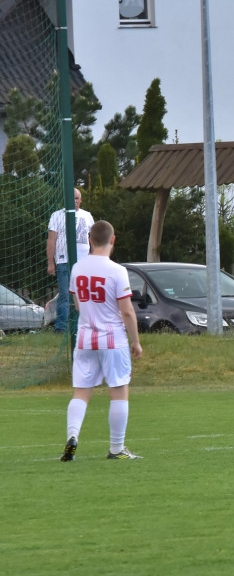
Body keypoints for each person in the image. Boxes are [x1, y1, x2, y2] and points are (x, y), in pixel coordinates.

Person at [59, 221, 144, 461]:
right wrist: (136, 341)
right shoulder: (117, 270)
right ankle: (117, 449)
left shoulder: (77, 268)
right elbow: (126, 311)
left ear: (90, 239)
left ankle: (72, 436)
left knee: (81, 393)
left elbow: (77, 305)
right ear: (113, 240)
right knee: (118, 391)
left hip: (85, 338)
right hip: (112, 338)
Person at [46, 188, 95, 333]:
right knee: (65, 295)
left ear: (81, 199)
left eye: (77, 198)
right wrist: (50, 263)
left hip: (84, 262)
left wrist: (94, 258)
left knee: (84, 295)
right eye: (72, 198)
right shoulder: (57, 216)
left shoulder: (87, 216)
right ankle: (61, 328)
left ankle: (83, 326)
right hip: (64, 261)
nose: (75, 201)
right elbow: (51, 240)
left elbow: (93, 239)